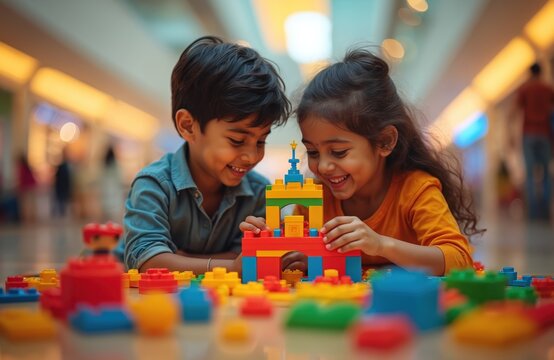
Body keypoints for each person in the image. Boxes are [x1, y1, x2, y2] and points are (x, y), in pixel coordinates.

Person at [241, 48, 481, 276]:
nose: (323, 167)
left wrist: (381, 245)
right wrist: (272, 242)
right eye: (313, 152)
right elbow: (298, 252)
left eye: (338, 152)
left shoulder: (416, 190)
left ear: (385, 142)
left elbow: (459, 259)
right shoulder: (316, 197)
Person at [121, 36, 291, 274]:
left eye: (261, 141)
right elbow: (147, 261)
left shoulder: (260, 193)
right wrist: (230, 265)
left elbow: (249, 254)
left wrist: (181, 259)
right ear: (188, 126)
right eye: (237, 140)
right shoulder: (154, 185)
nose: (251, 156)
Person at [513, 62, 554, 221]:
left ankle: (532, 214)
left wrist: (509, 135)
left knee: (530, 174)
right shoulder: (548, 89)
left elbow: (514, 112)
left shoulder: (525, 89)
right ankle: (545, 212)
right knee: (546, 174)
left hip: (528, 135)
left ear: (530, 73)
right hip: (544, 135)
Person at [100, 145, 123, 222]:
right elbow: (119, 178)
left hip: (106, 189)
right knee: (114, 213)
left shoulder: (104, 165)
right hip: (114, 190)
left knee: (107, 211)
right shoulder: (115, 165)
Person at [52, 148, 72, 217]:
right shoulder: (62, 166)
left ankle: (61, 213)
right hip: (61, 186)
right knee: (60, 200)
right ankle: (59, 213)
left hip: (63, 186)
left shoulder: (66, 165)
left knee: (61, 200)